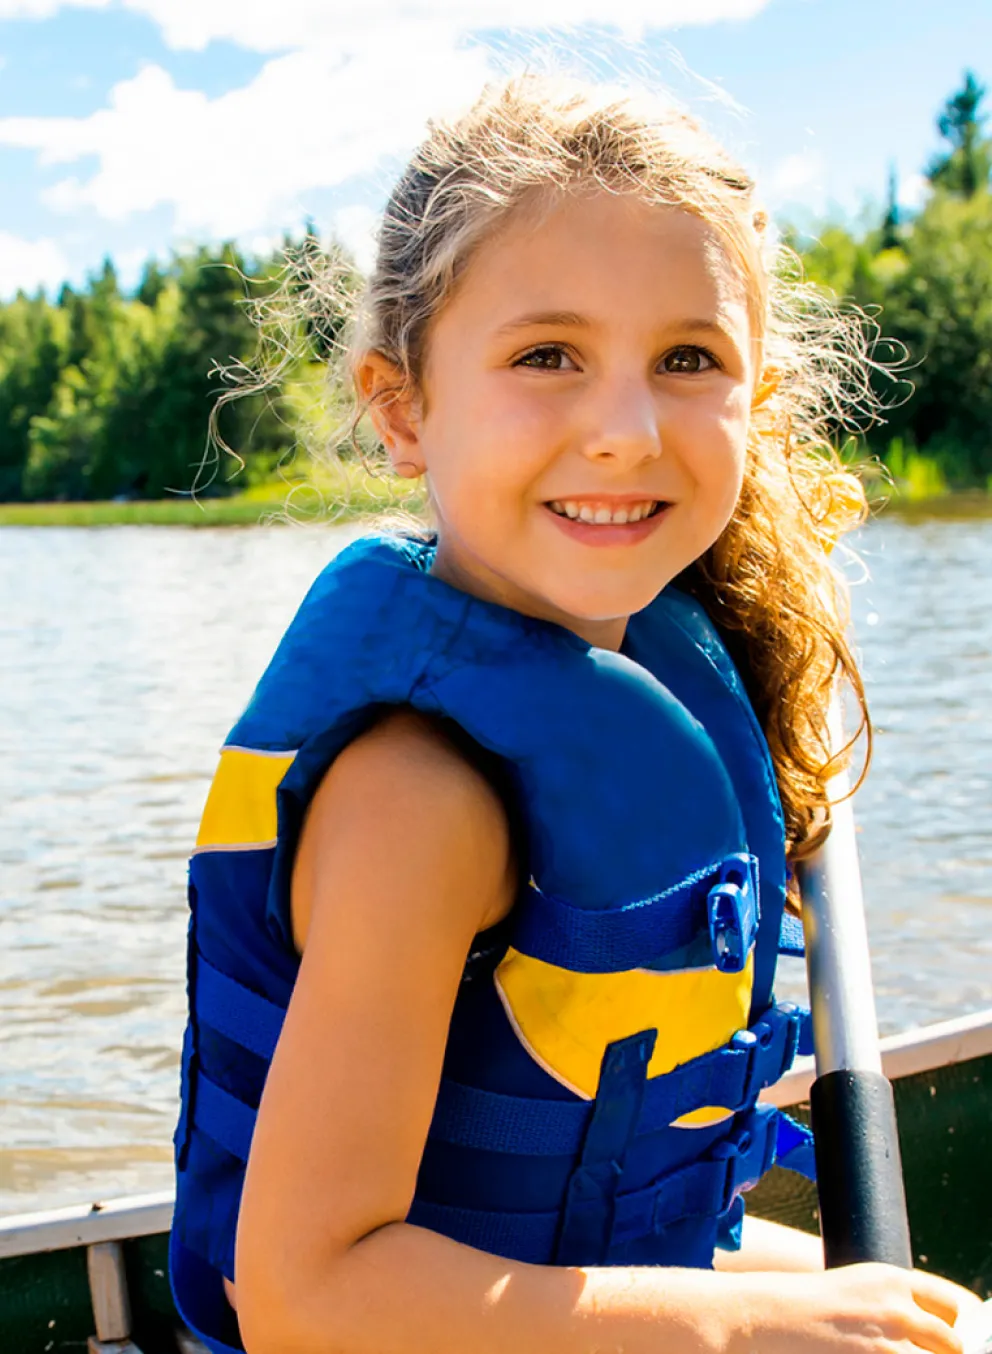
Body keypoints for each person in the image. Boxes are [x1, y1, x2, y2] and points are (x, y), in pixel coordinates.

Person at [169, 75, 980, 1354]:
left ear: (752, 400)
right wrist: (745, 1327)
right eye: (547, 356)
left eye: (686, 360)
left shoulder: (676, 677)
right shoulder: (418, 799)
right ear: (401, 408)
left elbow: (640, 1243)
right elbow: (305, 1300)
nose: (621, 428)